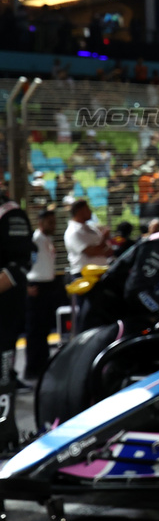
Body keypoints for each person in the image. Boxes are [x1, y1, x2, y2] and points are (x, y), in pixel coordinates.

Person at [0, 192, 34, 450]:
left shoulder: (11, 214)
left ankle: (4, 435)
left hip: (4, 312)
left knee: (2, 375)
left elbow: (18, 265)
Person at [64, 199, 112, 331]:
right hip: (85, 277)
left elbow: (105, 249)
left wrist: (103, 245)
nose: (91, 212)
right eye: (88, 209)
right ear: (80, 211)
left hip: (100, 274)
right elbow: (92, 251)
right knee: (88, 313)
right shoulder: (73, 231)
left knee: (100, 312)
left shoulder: (90, 228)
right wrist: (103, 240)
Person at [22, 209, 59, 382]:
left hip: (48, 285)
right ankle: (31, 368)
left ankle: (42, 364)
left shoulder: (47, 240)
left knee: (44, 329)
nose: (53, 225)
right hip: (36, 286)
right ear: (40, 222)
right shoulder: (35, 241)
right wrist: (26, 285)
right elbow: (25, 263)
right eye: (49, 222)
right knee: (35, 330)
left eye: (54, 222)